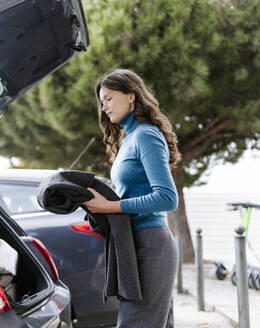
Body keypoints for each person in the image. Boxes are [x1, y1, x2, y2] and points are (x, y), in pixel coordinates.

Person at [82, 68, 181, 328]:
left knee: (135, 323)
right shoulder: (128, 140)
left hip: (152, 245)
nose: (104, 107)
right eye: (102, 102)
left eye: (110, 98)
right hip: (134, 244)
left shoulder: (146, 135)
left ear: (131, 96)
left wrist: (110, 206)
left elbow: (167, 198)